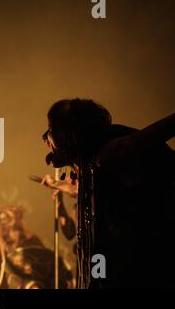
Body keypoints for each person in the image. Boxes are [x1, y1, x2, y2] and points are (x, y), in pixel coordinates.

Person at [43, 98, 175, 288]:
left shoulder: (109, 154)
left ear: (71, 135)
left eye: (51, 128)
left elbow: (141, 141)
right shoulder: (93, 169)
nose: (45, 137)